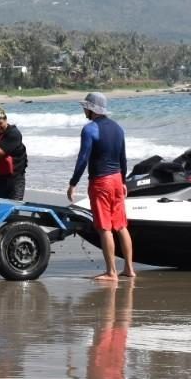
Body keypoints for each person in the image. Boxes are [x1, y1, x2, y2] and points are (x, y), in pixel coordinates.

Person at [66, 91, 135, 281]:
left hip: (101, 182)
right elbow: (123, 158)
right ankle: (129, 268)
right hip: (116, 179)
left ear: (91, 108)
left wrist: (73, 183)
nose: (83, 110)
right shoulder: (118, 128)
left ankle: (111, 272)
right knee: (121, 226)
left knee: (105, 227)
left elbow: (83, 159)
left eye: (85, 107)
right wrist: (123, 181)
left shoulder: (90, 129)